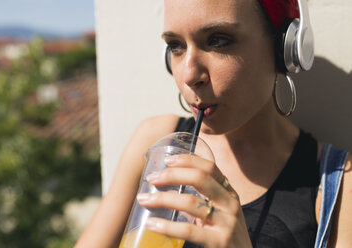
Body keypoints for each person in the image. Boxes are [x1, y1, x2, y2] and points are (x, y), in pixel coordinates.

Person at [75, 0, 352, 247]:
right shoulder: (156, 144)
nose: (188, 74)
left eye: (218, 41)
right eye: (176, 46)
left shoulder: (339, 182)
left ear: (284, 48)